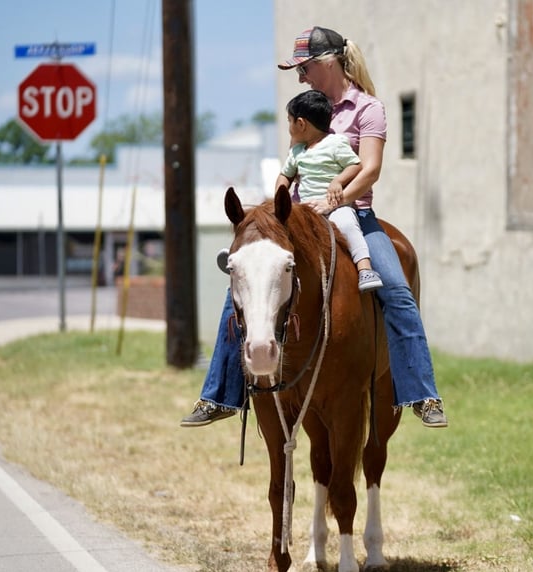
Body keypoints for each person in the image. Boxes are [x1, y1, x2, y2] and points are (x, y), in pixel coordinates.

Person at [181, 25, 447, 428]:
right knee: (240, 286)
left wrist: (337, 195)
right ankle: (220, 395)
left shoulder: (367, 108)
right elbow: (291, 168)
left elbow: (370, 168)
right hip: (300, 222)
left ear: (327, 63)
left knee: (396, 289)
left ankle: (422, 394)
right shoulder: (307, 106)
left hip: (353, 215)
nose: (300, 78)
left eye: (304, 69)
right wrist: (278, 206)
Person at [278, 89, 383, 292]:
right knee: (277, 229)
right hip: (304, 208)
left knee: (348, 225)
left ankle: (365, 269)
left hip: (334, 206)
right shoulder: (297, 152)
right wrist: (279, 198)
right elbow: (285, 176)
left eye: (289, 121)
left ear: (301, 123)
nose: (289, 127)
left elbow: (355, 165)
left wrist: (338, 180)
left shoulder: (336, 143)